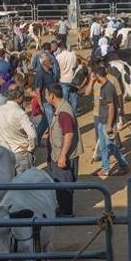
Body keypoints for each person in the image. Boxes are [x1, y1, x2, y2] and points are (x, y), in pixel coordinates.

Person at [45, 84, 80, 217]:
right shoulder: (60, 108)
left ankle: (66, 212)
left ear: (52, 95)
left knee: (64, 185)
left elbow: (69, 134)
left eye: (46, 94)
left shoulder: (64, 112)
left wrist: (63, 156)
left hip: (62, 155)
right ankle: (64, 209)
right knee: (62, 184)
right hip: (58, 154)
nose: (46, 97)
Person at [0, 85, 37, 174]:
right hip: (20, 154)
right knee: (24, 184)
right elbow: (32, 135)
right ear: (18, 97)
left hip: (4, 154)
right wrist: (30, 148)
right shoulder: (20, 113)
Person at [92, 65, 129, 178]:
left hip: (107, 123)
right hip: (102, 121)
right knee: (103, 146)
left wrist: (109, 125)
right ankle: (105, 168)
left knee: (111, 146)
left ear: (98, 75)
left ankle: (123, 165)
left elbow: (111, 106)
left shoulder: (107, 88)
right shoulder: (105, 86)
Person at [55, 42, 79, 114]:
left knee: (65, 98)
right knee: (74, 97)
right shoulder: (73, 54)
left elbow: (57, 69)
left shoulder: (58, 57)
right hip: (72, 79)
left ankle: (67, 112)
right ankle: (74, 112)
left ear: (60, 48)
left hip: (63, 79)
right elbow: (76, 65)